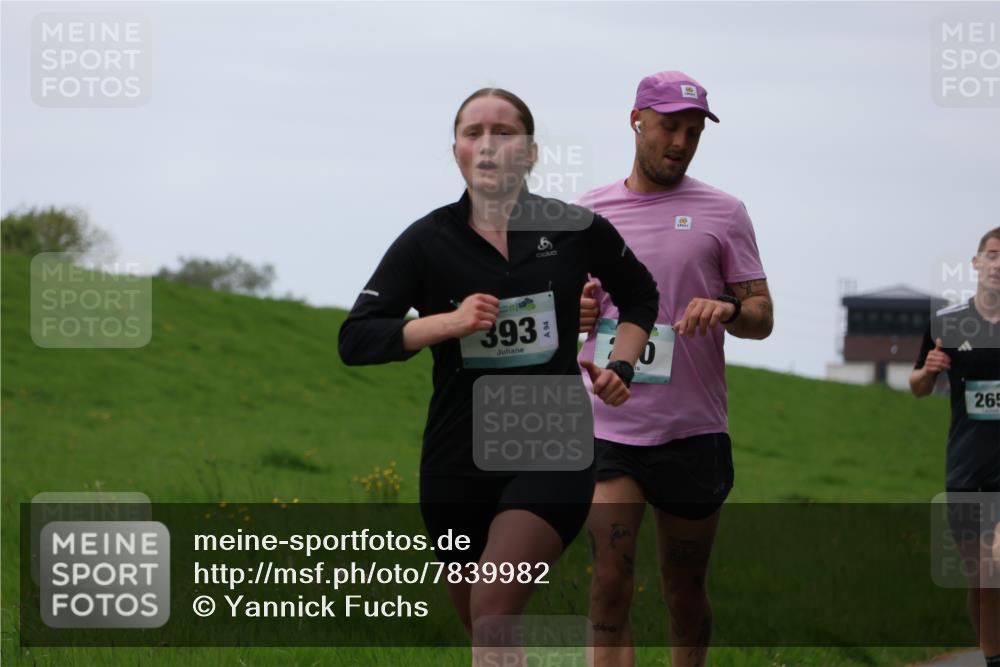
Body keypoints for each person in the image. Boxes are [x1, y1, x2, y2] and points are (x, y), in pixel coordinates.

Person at [338, 87, 660, 662]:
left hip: (548, 440)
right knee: (488, 633)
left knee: (493, 611)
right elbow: (356, 338)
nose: (487, 146)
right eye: (472, 133)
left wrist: (621, 364)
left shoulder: (574, 229)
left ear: (531, 152)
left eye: (504, 133)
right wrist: (447, 323)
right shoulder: (427, 240)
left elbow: (640, 296)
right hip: (454, 456)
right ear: (457, 150)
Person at [576, 71, 774, 667]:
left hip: (693, 433)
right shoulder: (589, 213)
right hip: (610, 427)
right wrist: (577, 308)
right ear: (636, 119)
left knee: (683, 592)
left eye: (692, 132)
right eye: (669, 127)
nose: (680, 142)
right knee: (610, 581)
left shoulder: (725, 212)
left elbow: (762, 316)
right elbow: (561, 310)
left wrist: (730, 308)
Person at [911, 227, 1000, 667]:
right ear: (977, 263)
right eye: (993, 255)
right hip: (966, 469)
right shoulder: (947, 324)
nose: (999, 264)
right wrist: (929, 371)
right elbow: (917, 387)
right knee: (982, 580)